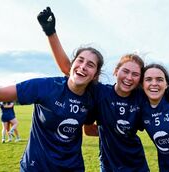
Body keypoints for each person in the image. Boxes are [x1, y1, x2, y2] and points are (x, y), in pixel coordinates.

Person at [0, 43, 104, 171]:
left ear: (95, 75)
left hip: (72, 167)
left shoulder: (93, 98)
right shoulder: (45, 86)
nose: (83, 67)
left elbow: (89, 129)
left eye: (90, 65)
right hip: (36, 166)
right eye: (80, 60)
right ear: (71, 65)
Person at [38, 7, 150, 171]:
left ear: (139, 79)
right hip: (109, 166)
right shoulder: (100, 92)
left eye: (135, 74)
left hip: (138, 166)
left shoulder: (141, 97)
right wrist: (50, 32)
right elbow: (68, 69)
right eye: (125, 71)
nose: (128, 77)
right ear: (116, 71)